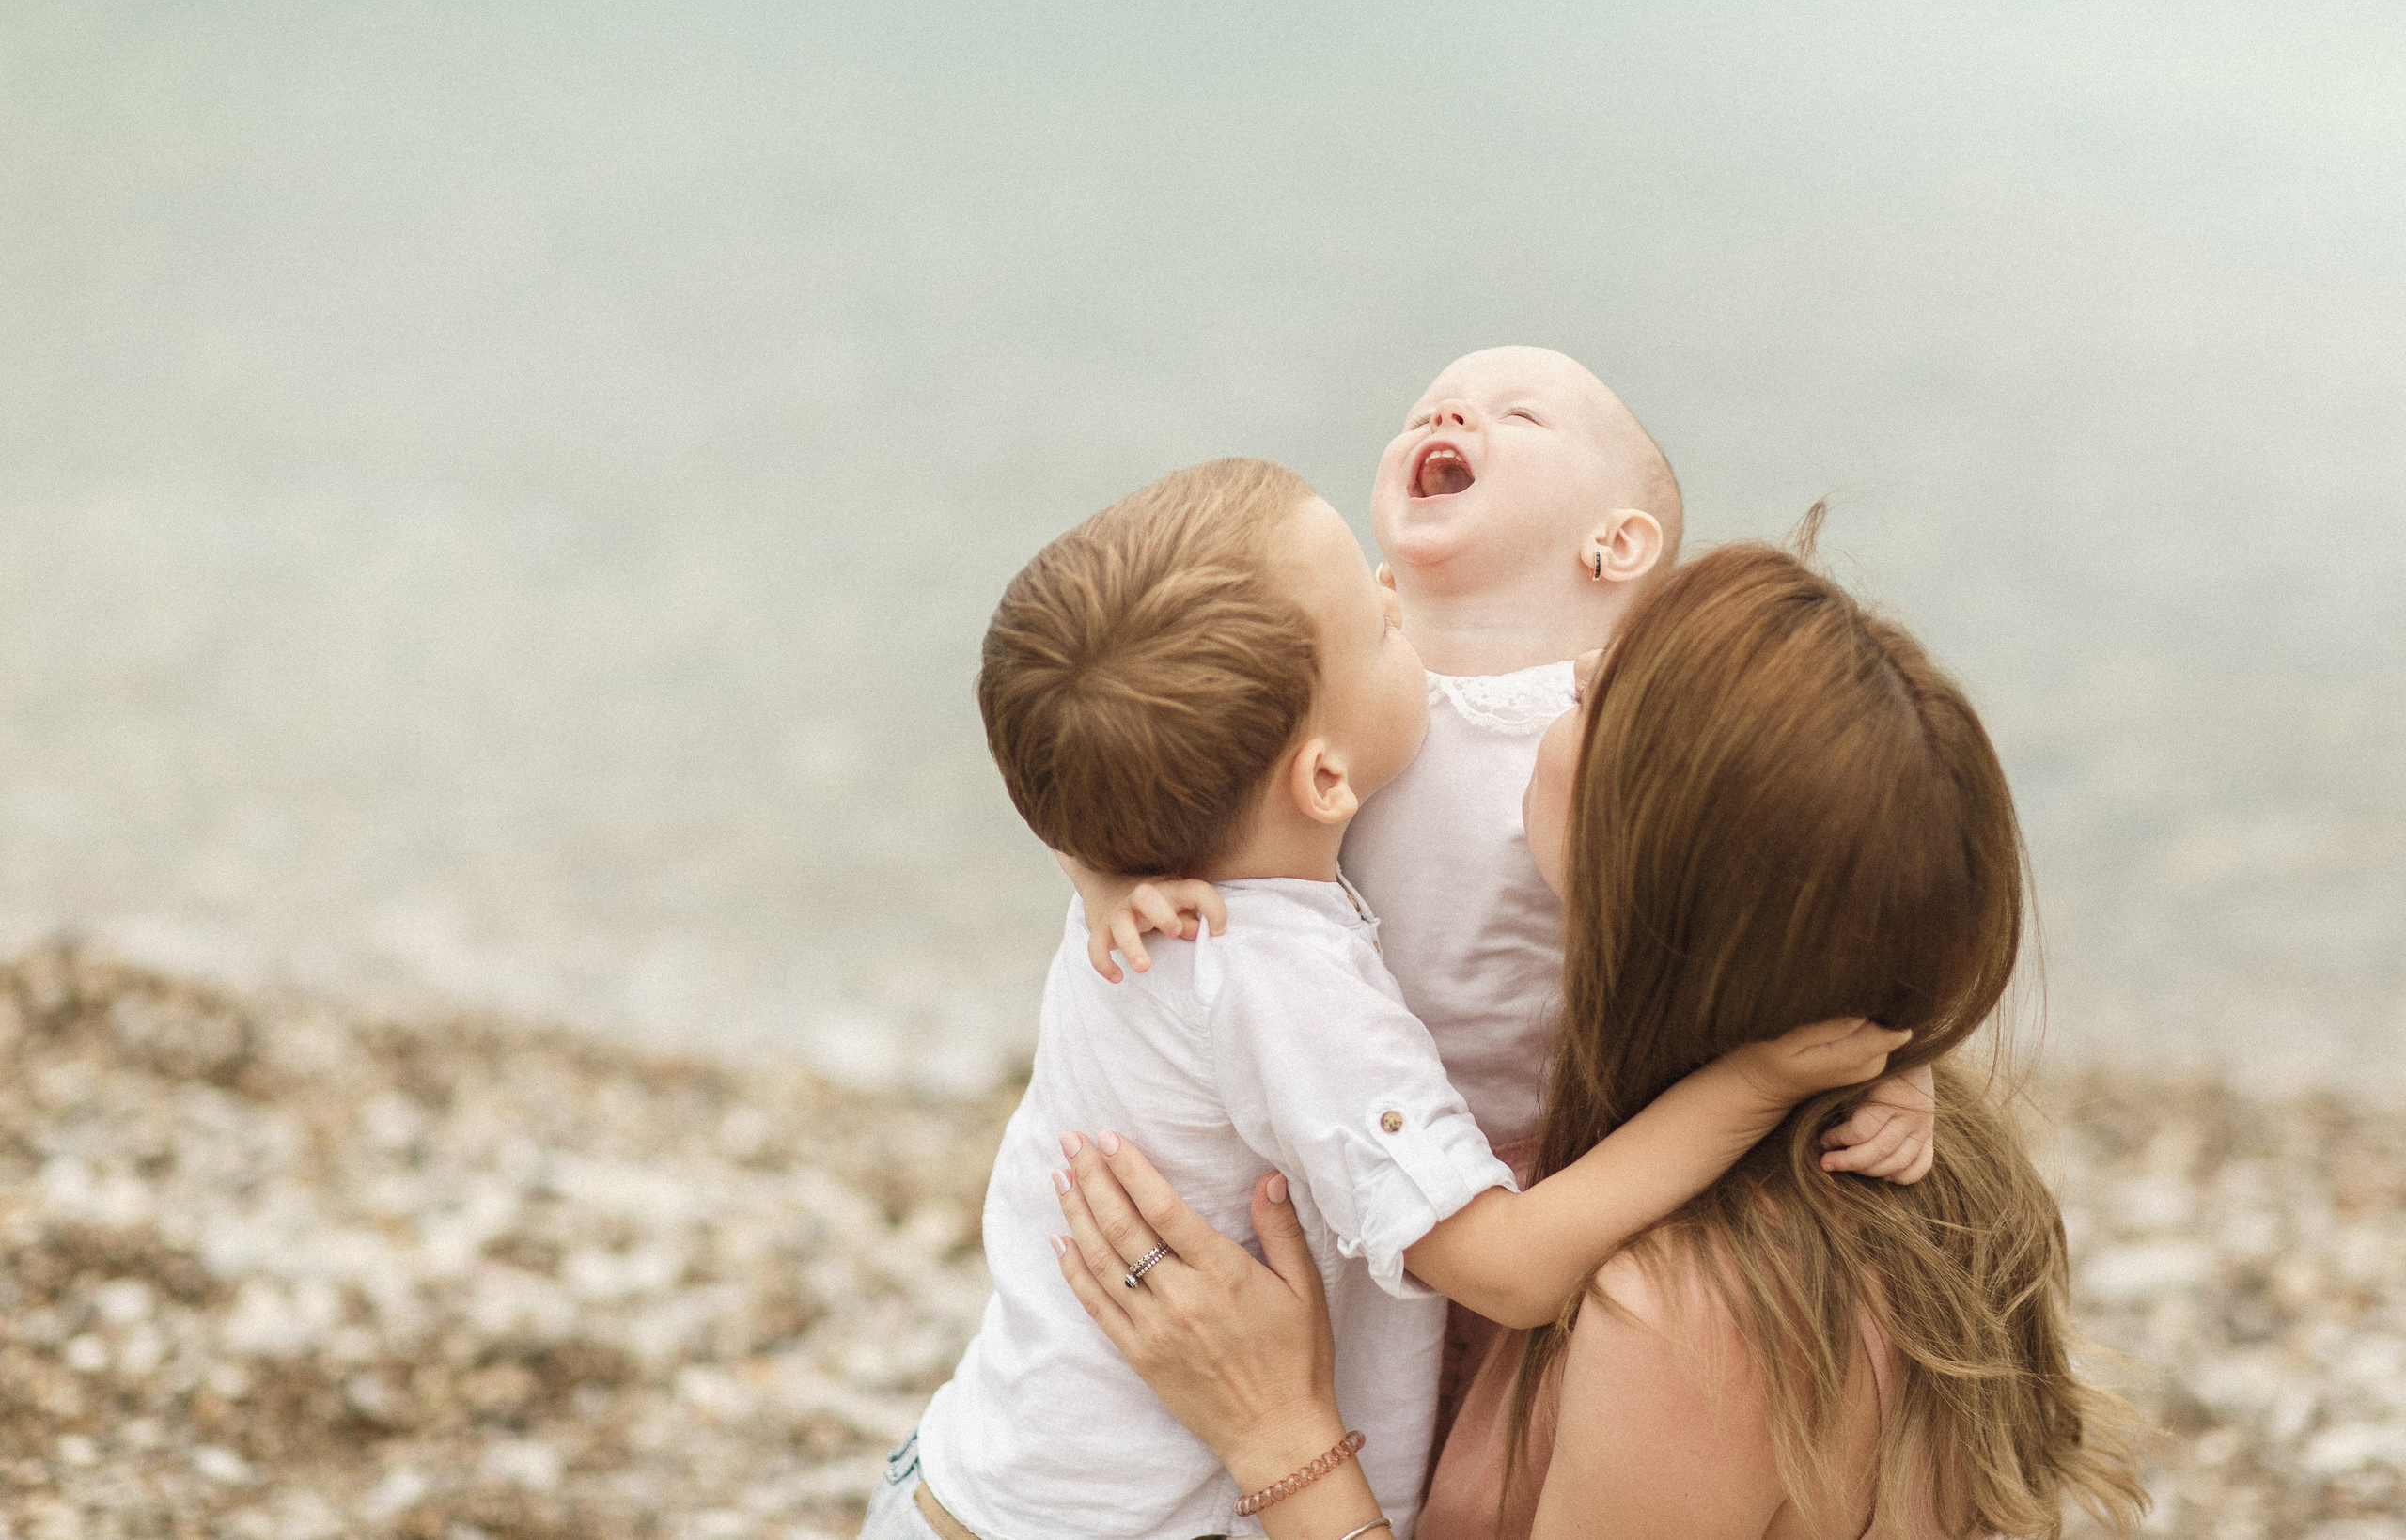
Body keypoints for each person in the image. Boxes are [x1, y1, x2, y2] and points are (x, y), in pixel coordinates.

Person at [874, 461, 1914, 1540]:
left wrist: (1089, 874)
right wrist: (1757, 1081)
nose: (1392, 593)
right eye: (1377, 629)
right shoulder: (1283, 984)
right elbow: (1507, 1270)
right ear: (1324, 783)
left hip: (971, 1475)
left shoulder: (1146, 869)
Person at [1054, 530, 2149, 1539]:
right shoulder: (1880, 1105)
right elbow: (1155, 734)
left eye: (1602, 696)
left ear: (1648, 884)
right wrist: (1105, 864)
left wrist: (1274, 1434)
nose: (1569, 673)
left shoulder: (1684, 1317)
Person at [1065, 350, 1936, 1451]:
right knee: (1376, 1408)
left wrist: (1904, 1064)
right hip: (1349, 1134)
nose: (1449, 409)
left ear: (1615, 544)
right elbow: (1111, 726)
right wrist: (1104, 871)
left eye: (1516, 413)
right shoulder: (1340, 671)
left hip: (1542, 1165)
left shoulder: (1618, 715)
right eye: (1430, 405)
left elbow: (1792, 889)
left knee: (1483, 1439)